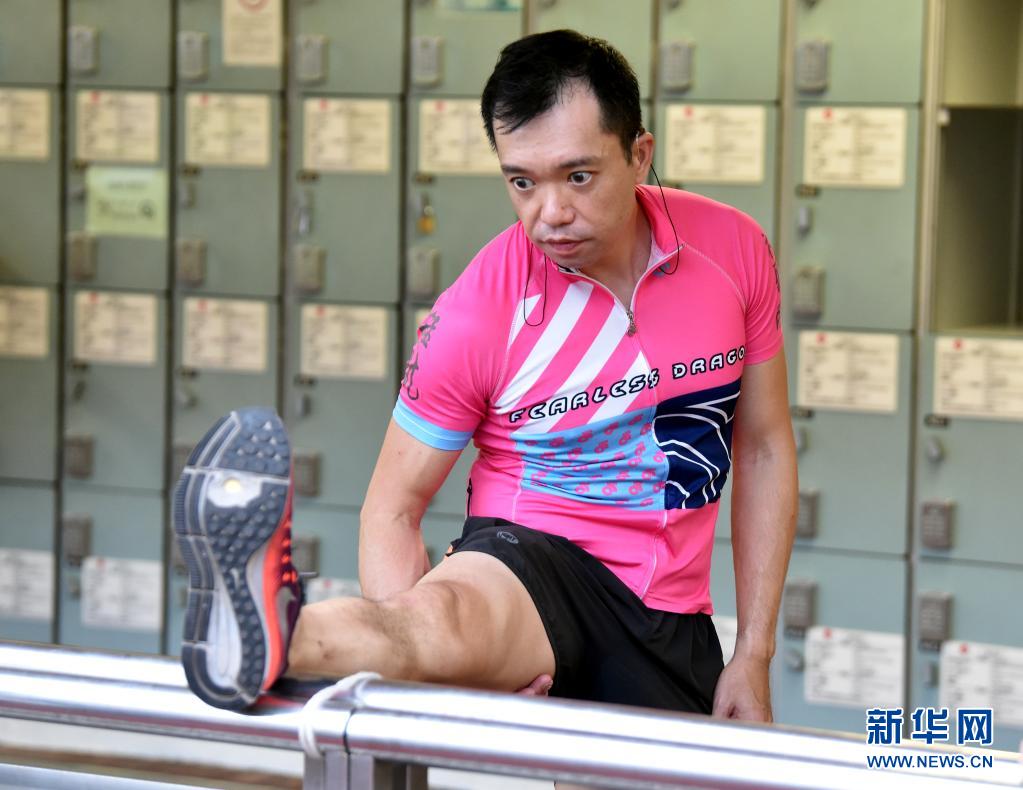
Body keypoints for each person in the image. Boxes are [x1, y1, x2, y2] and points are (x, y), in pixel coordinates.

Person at [174, 29, 797, 719]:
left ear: (639, 155)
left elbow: (763, 446)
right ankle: (279, 633)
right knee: (437, 621)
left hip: (672, 615)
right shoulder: (481, 307)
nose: (549, 214)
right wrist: (420, 685)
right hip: (529, 564)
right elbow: (392, 508)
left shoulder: (732, 251)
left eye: (578, 176)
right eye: (521, 182)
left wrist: (754, 651)